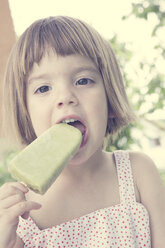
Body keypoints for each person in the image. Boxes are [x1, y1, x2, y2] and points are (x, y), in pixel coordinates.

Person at [0, 16, 164, 248]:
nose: (65, 97)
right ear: (25, 111)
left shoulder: (137, 173)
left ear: (109, 97)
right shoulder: (21, 214)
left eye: (83, 80)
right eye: (43, 88)